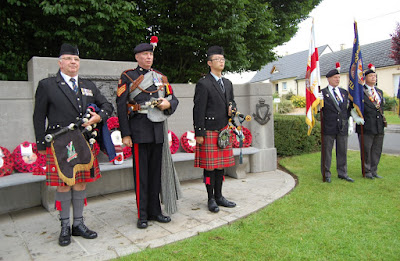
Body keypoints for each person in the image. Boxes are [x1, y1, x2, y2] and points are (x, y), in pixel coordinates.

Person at [33, 43, 113, 246]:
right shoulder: (47, 85)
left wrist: (98, 117)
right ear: (60, 62)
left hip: (84, 141)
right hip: (60, 142)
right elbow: (38, 116)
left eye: (76, 59)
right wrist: (41, 143)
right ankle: (64, 226)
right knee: (62, 185)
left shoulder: (88, 85)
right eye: (68, 59)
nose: (73, 62)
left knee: (80, 183)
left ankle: (78, 224)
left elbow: (107, 106)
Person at [116, 41, 179, 229]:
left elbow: (172, 99)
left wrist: (169, 105)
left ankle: (155, 211)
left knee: (155, 174)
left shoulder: (161, 77)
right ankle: (142, 214)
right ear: (137, 57)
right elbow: (120, 106)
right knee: (141, 175)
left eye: (150, 54)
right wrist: (125, 134)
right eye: (144, 54)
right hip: (139, 129)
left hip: (158, 130)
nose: (148, 57)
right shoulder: (127, 76)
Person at [193, 46, 237, 213]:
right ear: (209, 63)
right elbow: (198, 109)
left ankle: (219, 196)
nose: (221, 62)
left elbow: (232, 102)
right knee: (210, 167)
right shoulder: (203, 83)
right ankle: (210, 198)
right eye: (218, 59)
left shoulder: (227, 83)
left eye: (223, 59)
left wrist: (232, 108)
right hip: (209, 130)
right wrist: (199, 132)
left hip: (224, 130)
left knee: (221, 166)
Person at [320, 63, 354, 183]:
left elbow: (347, 109)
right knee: (327, 151)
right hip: (329, 126)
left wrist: (350, 121)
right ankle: (326, 173)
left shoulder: (344, 92)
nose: (337, 80)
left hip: (342, 126)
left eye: (339, 78)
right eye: (335, 78)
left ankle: (343, 173)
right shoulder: (322, 93)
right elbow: (318, 111)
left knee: (342, 151)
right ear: (329, 79)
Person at [355, 64, 385, 179]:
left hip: (379, 125)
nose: (373, 78)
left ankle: (374, 170)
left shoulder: (379, 92)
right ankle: (366, 171)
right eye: (371, 76)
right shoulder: (360, 93)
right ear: (365, 78)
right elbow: (355, 107)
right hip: (366, 125)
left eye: (375, 76)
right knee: (366, 150)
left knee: (377, 150)